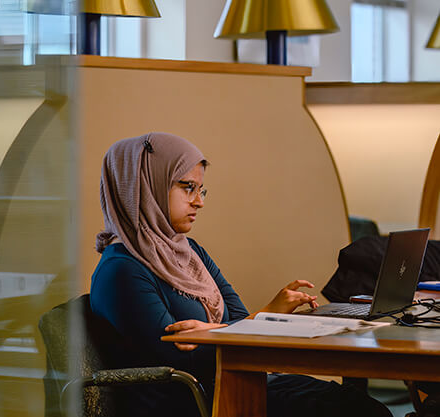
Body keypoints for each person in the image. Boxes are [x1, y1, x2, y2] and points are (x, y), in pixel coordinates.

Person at [90, 132, 392, 417]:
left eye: (201, 189)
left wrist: (215, 331)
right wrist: (257, 320)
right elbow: (180, 359)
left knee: (360, 404)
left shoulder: (190, 251)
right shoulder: (123, 269)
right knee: (357, 411)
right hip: (196, 399)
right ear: (146, 186)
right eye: (187, 188)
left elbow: (237, 317)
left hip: (240, 381)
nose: (199, 201)